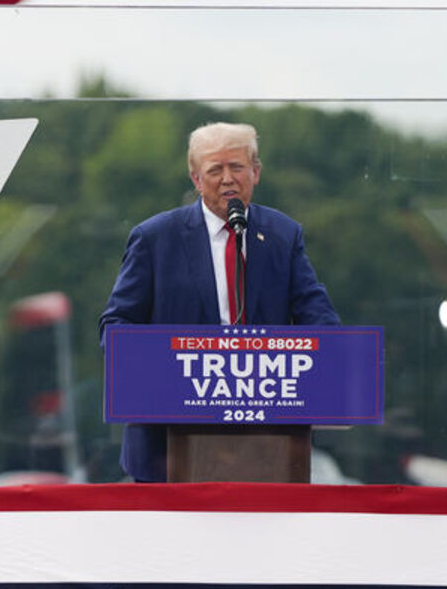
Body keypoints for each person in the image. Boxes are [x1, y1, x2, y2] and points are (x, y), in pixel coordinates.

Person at [99, 121, 340, 482]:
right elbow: (116, 326)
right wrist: (164, 367)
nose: (227, 179)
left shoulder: (282, 235)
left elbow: (318, 317)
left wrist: (333, 354)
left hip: (267, 444)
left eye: (237, 167)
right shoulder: (155, 239)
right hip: (166, 450)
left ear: (256, 172)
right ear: (197, 179)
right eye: (215, 170)